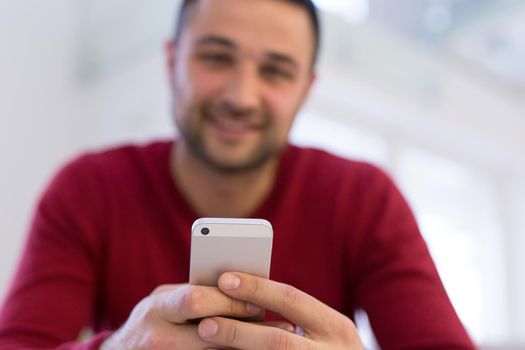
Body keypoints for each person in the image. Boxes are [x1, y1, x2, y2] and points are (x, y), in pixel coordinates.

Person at [0, 0, 476, 349]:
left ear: (305, 90)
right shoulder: (87, 189)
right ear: (171, 62)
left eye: (276, 70)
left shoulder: (366, 198)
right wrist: (115, 348)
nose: (241, 96)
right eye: (215, 57)